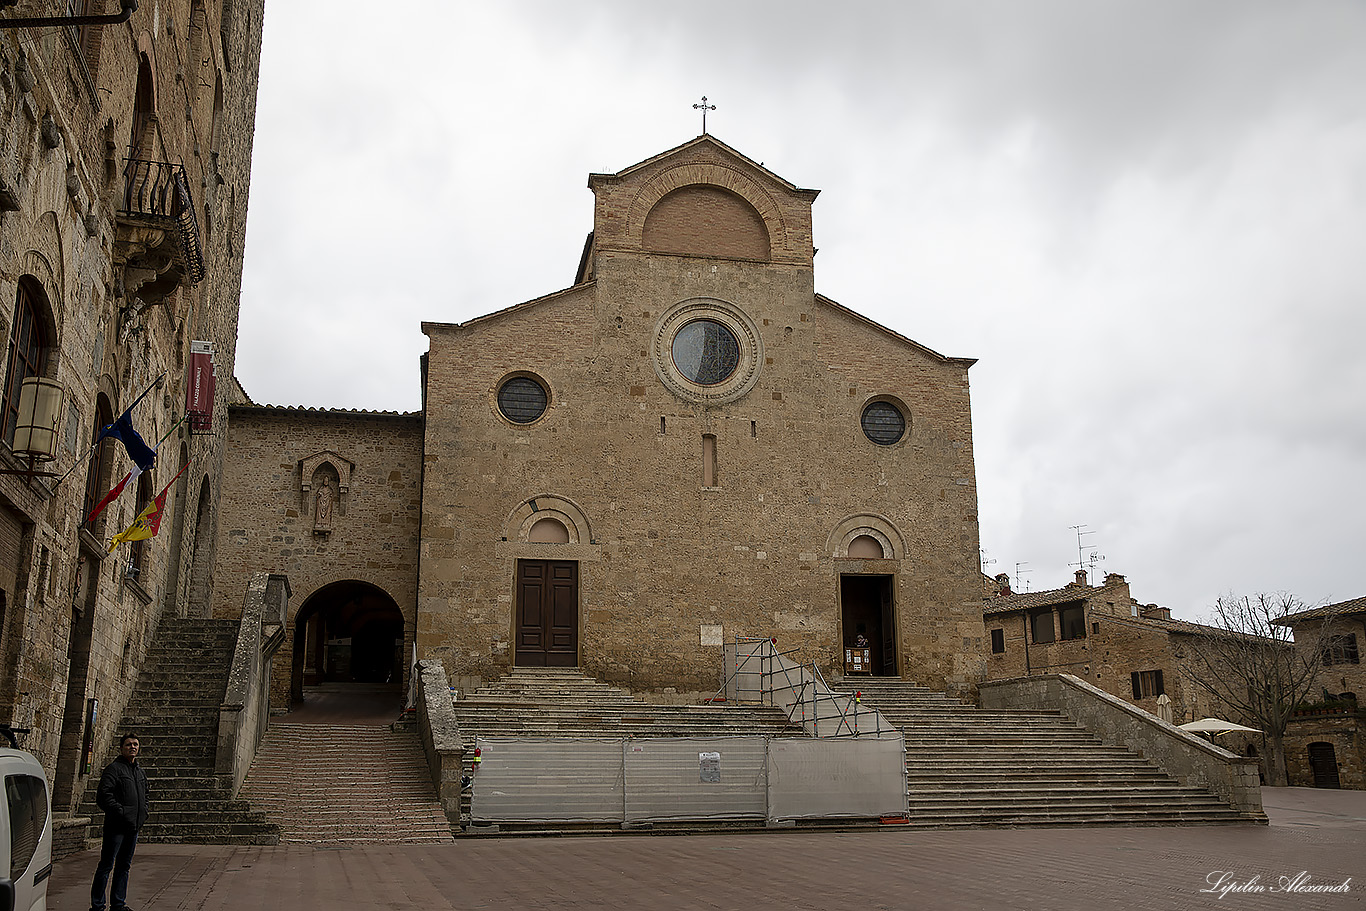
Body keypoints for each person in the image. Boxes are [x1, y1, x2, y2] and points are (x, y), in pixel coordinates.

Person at [90, 733, 148, 911]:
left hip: (133, 826)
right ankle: (98, 905)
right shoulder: (113, 769)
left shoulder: (139, 771)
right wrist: (120, 812)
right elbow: (103, 796)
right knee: (106, 865)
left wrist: (143, 812)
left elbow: (145, 795)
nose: (133, 747)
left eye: (135, 744)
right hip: (116, 826)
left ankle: (118, 903)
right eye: (129, 744)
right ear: (122, 748)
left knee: (124, 867)